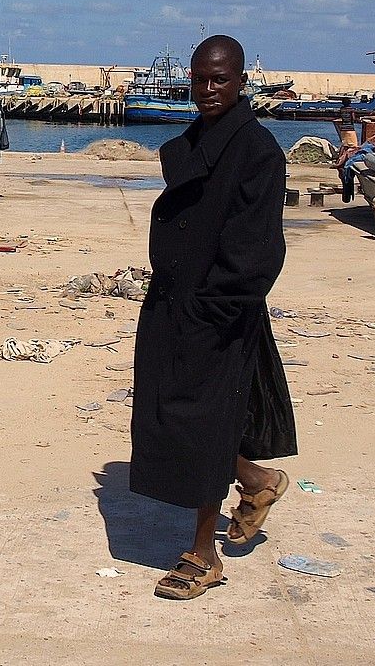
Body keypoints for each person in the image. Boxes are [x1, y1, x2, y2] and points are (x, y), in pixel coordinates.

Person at [130, 34, 298, 600]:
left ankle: (203, 555)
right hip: (172, 302)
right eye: (200, 78)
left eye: (219, 79)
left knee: (201, 420)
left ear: (241, 80)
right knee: (173, 413)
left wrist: (217, 306)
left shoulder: (258, 154)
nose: (207, 90)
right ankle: (256, 480)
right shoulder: (191, 144)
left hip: (220, 310)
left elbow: (258, 249)